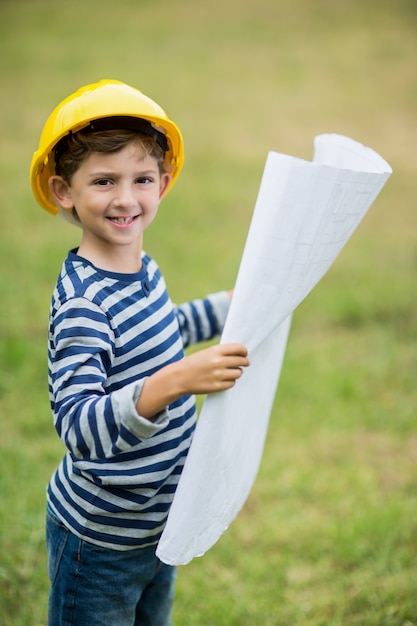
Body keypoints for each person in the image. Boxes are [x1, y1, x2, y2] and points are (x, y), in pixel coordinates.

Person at [30, 79, 250, 626]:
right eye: (103, 181)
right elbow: (80, 427)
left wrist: (228, 306)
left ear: (164, 182)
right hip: (100, 543)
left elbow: (159, 330)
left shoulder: (142, 270)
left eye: (142, 179)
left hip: (158, 526)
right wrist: (175, 380)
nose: (126, 198)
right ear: (64, 191)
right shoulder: (84, 302)